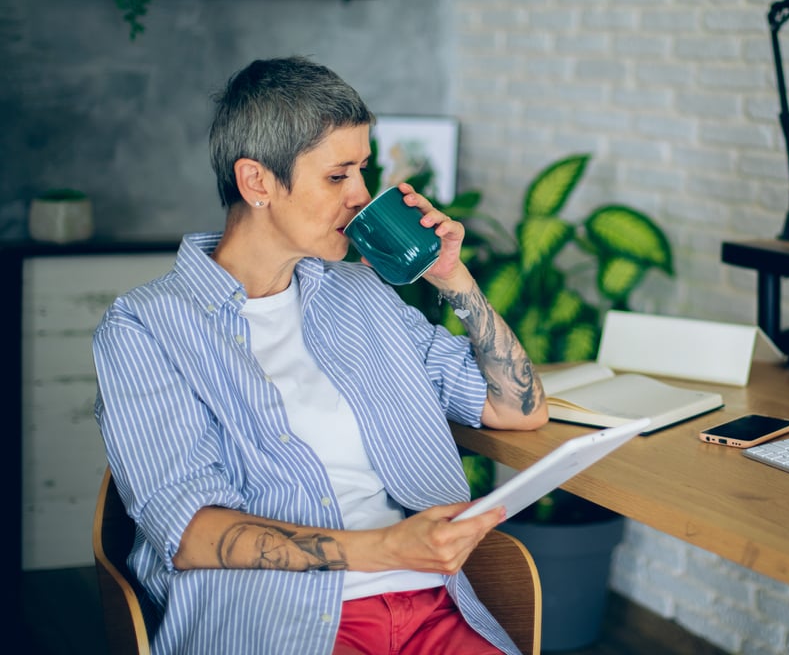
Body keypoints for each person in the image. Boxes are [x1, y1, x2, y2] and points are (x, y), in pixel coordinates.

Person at [93, 56, 549, 655]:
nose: (362, 197)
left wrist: (454, 279)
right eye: (338, 177)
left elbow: (518, 409)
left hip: (433, 605)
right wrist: (386, 549)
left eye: (363, 169)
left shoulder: (361, 294)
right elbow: (187, 533)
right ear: (257, 183)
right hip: (281, 621)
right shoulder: (145, 329)